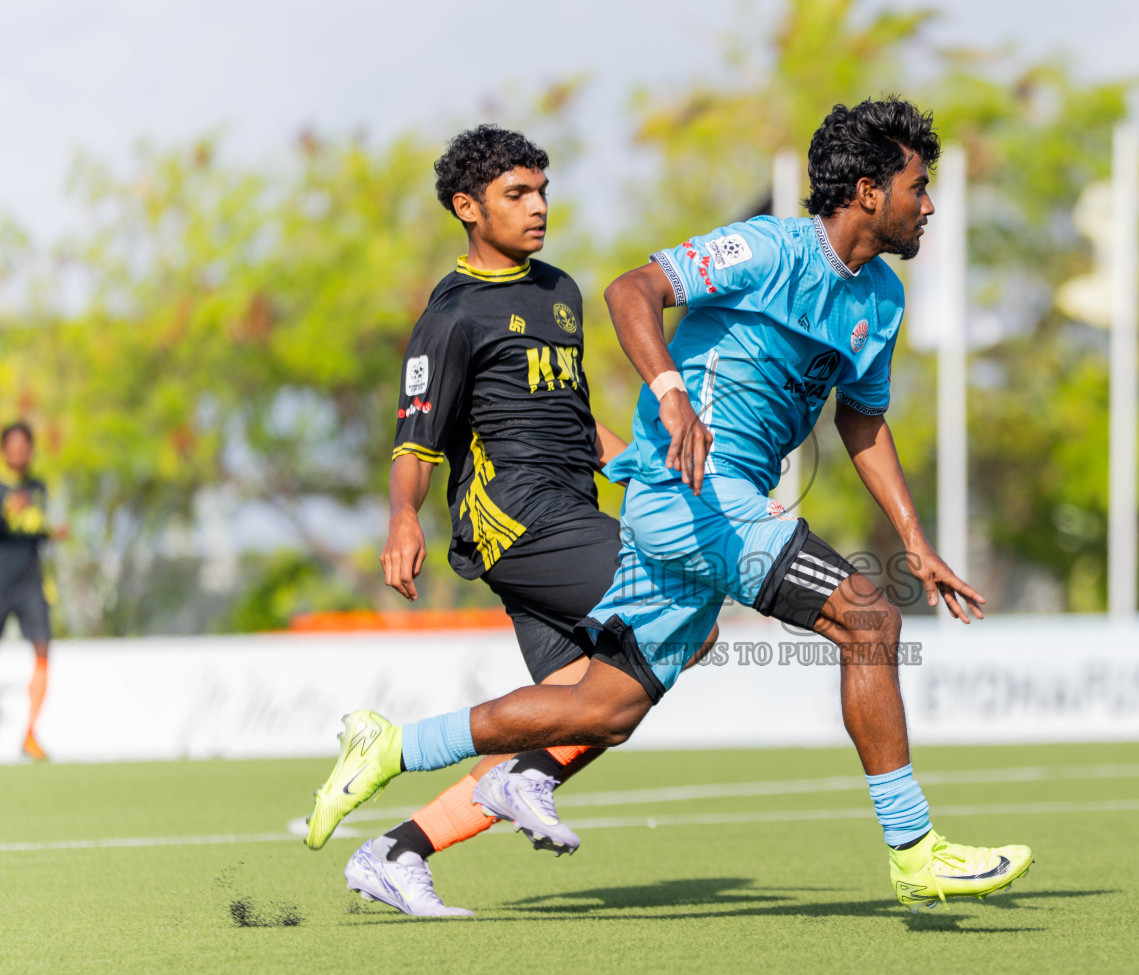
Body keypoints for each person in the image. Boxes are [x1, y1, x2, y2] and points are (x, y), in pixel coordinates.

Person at [306, 98, 1031, 910]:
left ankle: (396, 746)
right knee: (868, 617)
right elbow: (632, 291)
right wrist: (670, 391)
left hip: (706, 507)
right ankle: (915, 850)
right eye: (917, 186)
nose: (928, 204)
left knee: (601, 709)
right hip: (694, 500)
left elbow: (863, 421)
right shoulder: (765, 248)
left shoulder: (881, 301)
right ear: (867, 191)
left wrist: (914, 537)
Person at [320, 125, 716, 917]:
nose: (538, 208)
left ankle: (397, 851)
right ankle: (432, 755)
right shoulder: (453, 312)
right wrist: (402, 515)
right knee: (687, 608)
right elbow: (415, 430)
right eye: (516, 195)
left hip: (570, 506)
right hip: (514, 517)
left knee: (598, 708)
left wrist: (643, 466)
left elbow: (574, 417)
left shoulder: (560, 292)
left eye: (542, 191)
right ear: (468, 208)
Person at [0, 423, 61, 761]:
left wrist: (54, 533)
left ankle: (30, 734)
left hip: (31, 582)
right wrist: (8, 509)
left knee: (42, 650)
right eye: (14, 445)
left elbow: (39, 530)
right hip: (0, 579)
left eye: (25, 445)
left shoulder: (39, 488)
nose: (20, 451)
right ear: (4, 450)